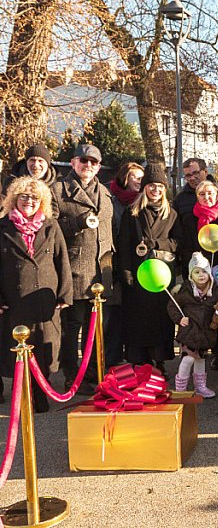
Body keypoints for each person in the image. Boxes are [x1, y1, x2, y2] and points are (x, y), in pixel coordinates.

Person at [0, 177, 72, 412]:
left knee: (44, 350)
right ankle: (22, 397)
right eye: (24, 197)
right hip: (14, 300)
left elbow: (62, 260)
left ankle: (41, 396)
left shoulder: (50, 225)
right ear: (14, 199)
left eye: (34, 198)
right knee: (19, 351)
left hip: (44, 299)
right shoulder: (3, 227)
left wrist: (64, 294)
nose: (29, 201)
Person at [51, 144, 114, 392]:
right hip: (75, 269)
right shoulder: (58, 190)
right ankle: (72, 375)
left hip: (103, 269)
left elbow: (111, 231)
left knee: (97, 328)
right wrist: (77, 224)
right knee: (72, 329)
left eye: (94, 162)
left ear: (99, 166)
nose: (88, 166)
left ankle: (94, 373)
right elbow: (51, 231)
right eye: (83, 161)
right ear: (74, 162)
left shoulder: (105, 192)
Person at [117, 167, 181, 374]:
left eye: (160, 186)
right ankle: (139, 361)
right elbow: (124, 244)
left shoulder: (171, 214)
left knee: (161, 320)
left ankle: (160, 361)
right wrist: (125, 272)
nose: (155, 190)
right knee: (138, 319)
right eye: (152, 185)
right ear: (145, 188)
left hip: (161, 275)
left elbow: (176, 243)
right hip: (138, 274)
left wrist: (158, 243)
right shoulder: (132, 212)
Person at [167, 252, 218, 399]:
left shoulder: (215, 292)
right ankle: (180, 389)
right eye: (197, 272)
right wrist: (179, 319)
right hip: (190, 331)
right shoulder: (184, 291)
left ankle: (200, 387)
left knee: (200, 359)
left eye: (204, 271)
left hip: (206, 332)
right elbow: (172, 306)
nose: (201, 275)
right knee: (188, 358)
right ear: (191, 275)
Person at [106, 161, 144, 367]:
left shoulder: (143, 200)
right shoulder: (112, 199)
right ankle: (111, 360)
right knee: (114, 316)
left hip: (137, 264)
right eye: (134, 177)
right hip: (114, 263)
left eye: (141, 177)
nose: (138, 181)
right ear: (125, 178)